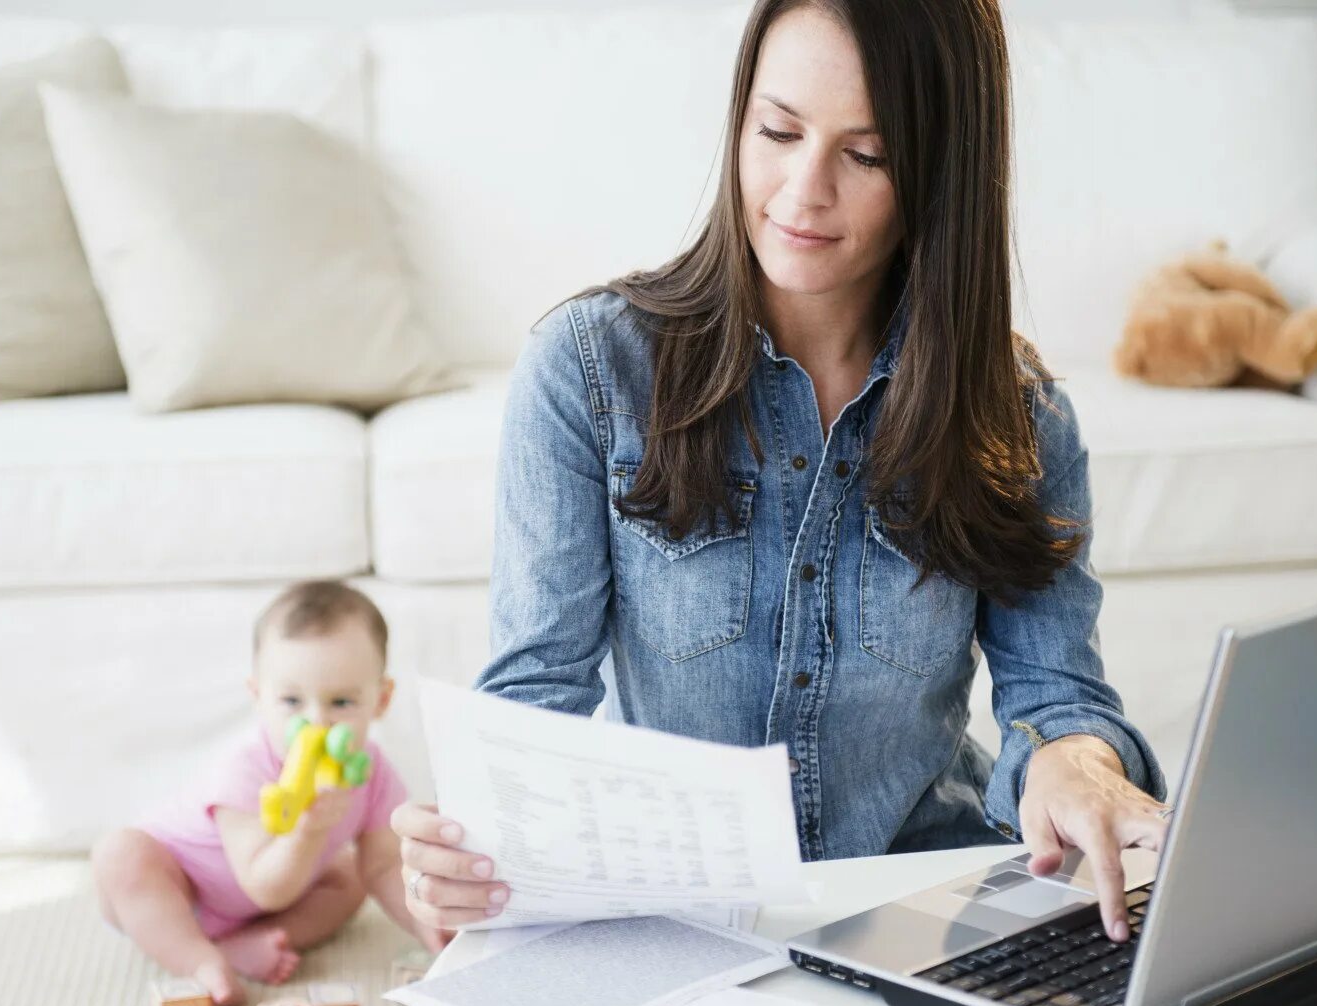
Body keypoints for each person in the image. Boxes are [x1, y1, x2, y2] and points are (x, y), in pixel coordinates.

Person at [393, 0, 1168, 955]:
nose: (804, 191)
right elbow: (534, 697)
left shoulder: (1020, 414)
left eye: (867, 155)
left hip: (924, 897)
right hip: (674, 919)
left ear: (939, 173)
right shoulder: (589, 368)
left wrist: (1074, 763)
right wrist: (477, 853)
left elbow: (1059, 699)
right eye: (778, 131)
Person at [92, 580, 447, 1006]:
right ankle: (204, 961)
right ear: (258, 697)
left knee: (352, 879)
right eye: (292, 701)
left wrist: (427, 924)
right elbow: (265, 888)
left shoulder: (372, 772)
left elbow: (386, 866)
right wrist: (309, 830)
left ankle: (245, 942)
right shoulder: (245, 769)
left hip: (265, 905)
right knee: (120, 853)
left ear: (380, 699)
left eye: (341, 702)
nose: (317, 722)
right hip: (177, 892)